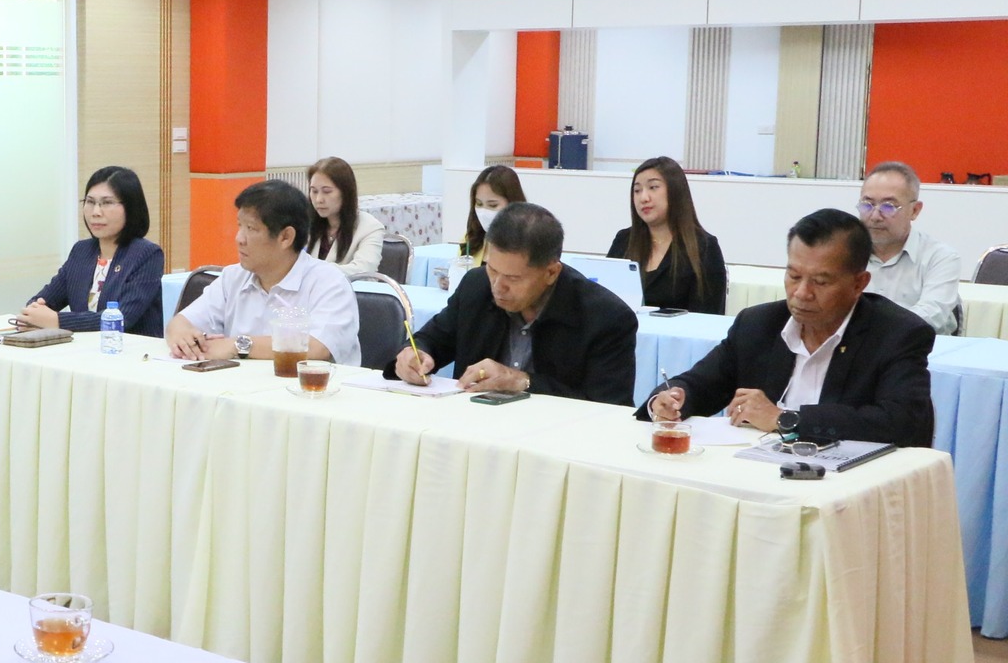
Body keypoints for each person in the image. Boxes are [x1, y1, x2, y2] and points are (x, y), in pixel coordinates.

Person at [642, 209, 934, 448]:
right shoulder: (758, 324)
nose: (802, 293)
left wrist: (785, 419)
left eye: (820, 282)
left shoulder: (897, 334)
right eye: (794, 276)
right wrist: (670, 400)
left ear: (859, 283)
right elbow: (701, 383)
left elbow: (901, 422)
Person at [391, 202, 637, 405]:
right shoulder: (476, 285)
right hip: (472, 428)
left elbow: (609, 407)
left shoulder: (606, 317)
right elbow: (432, 339)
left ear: (551, 272)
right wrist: (415, 354)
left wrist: (522, 381)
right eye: (492, 270)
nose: (498, 286)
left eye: (513, 278)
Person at [165, 179, 361, 367]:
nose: (239, 238)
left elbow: (318, 347)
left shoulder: (329, 282)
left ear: (286, 237)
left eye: (251, 228)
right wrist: (184, 337)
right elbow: (181, 322)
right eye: (240, 226)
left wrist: (238, 346)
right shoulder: (233, 278)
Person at [14, 165, 165, 338]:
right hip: (83, 350)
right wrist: (33, 314)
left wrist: (57, 321)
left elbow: (123, 318)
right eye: (90, 202)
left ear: (131, 208)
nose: (96, 212)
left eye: (107, 203)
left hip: (132, 350)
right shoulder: (81, 251)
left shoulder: (147, 254)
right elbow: (44, 300)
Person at [606, 156, 728, 313]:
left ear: (675, 191)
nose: (643, 198)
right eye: (637, 190)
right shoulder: (624, 240)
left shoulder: (703, 247)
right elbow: (604, 300)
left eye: (653, 187)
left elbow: (708, 317)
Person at [857, 160, 962, 335]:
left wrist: (871, 330)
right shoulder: (844, 254)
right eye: (867, 205)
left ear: (915, 210)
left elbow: (931, 314)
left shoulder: (940, 257)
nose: (875, 216)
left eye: (888, 207)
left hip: (920, 348)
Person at [304, 156, 384, 274]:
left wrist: (314, 270)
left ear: (346, 193)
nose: (318, 199)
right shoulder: (306, 223)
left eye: (327, 191)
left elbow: (364, 271)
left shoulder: (369, 227)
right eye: (314, 191)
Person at [459, 164, 526, 264]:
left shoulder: (526, 244)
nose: (484, 212)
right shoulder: (470, 239)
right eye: (479, 204)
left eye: (493, 205)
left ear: (512, 203)